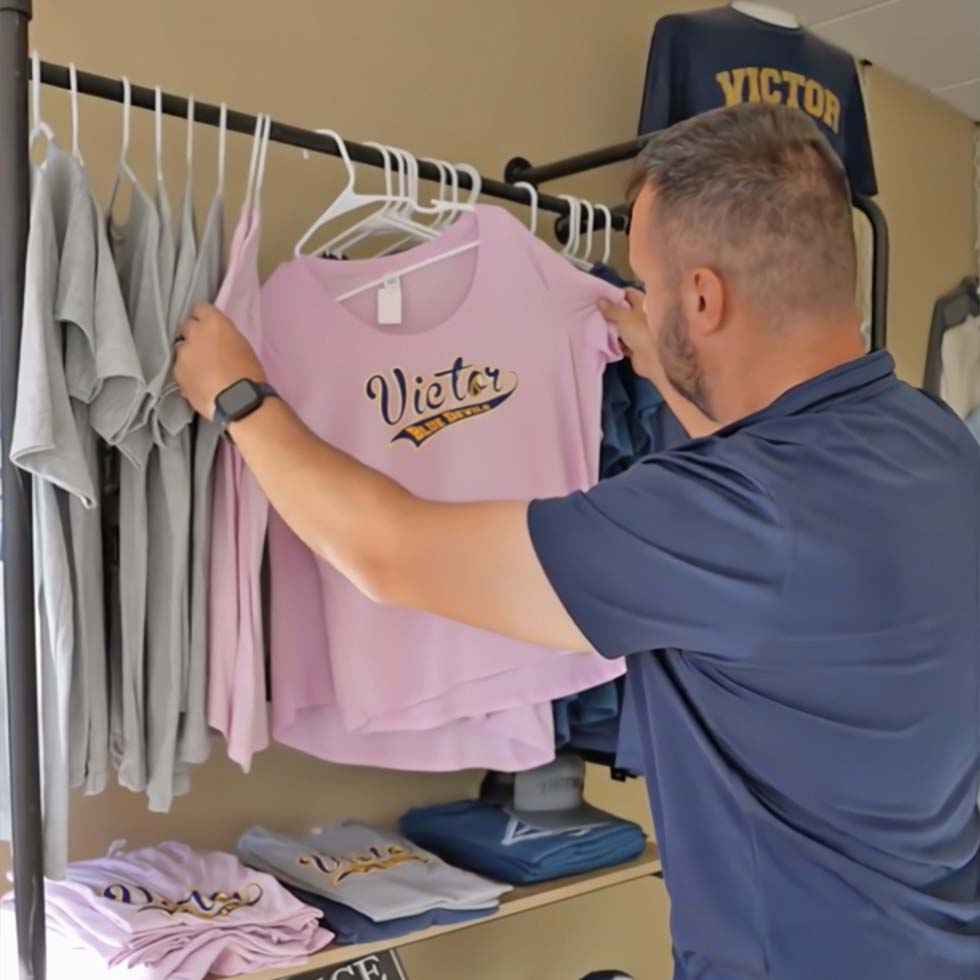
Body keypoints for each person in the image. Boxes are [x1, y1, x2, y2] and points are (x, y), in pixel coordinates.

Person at [174, 103, 980, 980]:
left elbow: (392, 553)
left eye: (653, 281)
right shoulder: (932, 442)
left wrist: (241, 398)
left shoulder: (734, 518)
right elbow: (771, 495)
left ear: (703, 298)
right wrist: (666, 371)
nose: (642, 297)